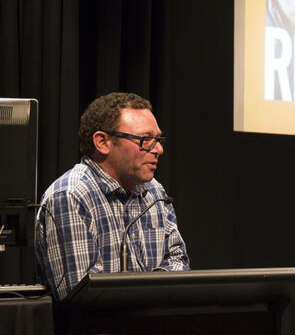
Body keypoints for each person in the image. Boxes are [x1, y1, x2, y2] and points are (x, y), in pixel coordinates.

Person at [34, 93, 190, 301]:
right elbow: (84, 297)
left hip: (155, 326)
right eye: (145, 140)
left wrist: (151, 294)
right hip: (95, 331)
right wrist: (155, 294)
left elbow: (178, 261)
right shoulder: (70, 196)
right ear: (102, 142)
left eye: (158, 139)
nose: (159, 149)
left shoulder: (154, 191)